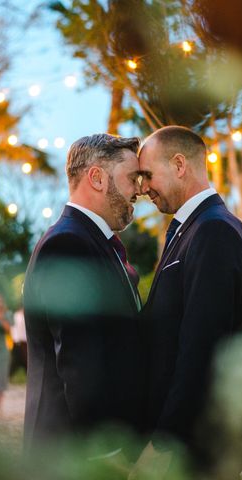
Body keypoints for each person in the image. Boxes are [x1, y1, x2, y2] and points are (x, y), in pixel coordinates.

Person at [133, 126, 242, 477]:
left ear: (179, 165)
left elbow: (203, 347)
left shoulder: (214, 230)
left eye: (147, 174)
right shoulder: (191, 227)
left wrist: (165, 442)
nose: (143, 187)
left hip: (198, 443)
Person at [23, 134, 144, 458]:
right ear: (97, 178)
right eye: (133, 178)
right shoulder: (68, 245)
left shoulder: (94, 242)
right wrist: (104, 452)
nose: (140, 190)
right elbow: (78, 363)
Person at [9, 304, 27, 377]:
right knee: (15, 362)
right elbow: (14, 329)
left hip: (24, 343)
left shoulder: (23, 316)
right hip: (18, 342)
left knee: (25, 362)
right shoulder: (16, 316)